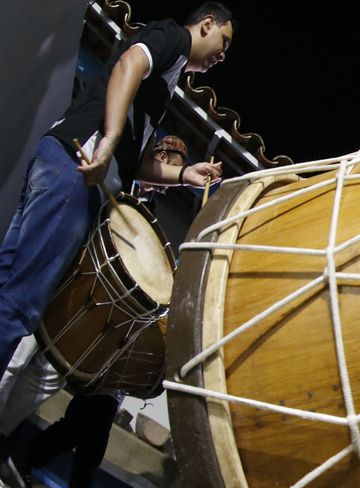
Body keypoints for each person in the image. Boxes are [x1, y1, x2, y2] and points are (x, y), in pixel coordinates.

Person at [0, 2, 233, 372]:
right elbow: (129, 63)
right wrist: (109, 139)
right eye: (224, 40)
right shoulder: (172, 38)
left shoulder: (167, 80)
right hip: (75, 169)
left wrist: (184, 174)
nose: (223, 54)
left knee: (7, 286)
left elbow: (134, 162)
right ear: (207, 24)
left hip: (64, 162)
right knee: (18, 306)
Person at [0, 134, 193, 488]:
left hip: (89, 313)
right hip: (64, 282)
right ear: (157, 158)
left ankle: (2, 442)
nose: (162, 184)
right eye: (166, 171)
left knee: (45, 377)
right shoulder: (119, 179)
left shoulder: (148, 213)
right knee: (18, 355)